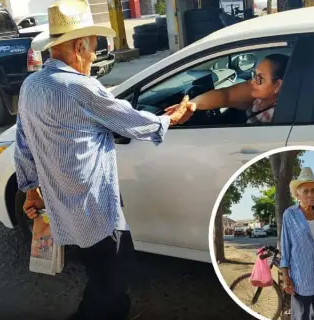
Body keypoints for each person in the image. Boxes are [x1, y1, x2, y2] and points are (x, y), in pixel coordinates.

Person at [13, 1, 194, 319]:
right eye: (94, 47)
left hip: (64, 208)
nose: (95, 55)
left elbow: (22, 144)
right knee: (111, 281)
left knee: (104, 273)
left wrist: (30, 188)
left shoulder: (31, 86)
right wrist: (170, 119)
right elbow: (130, 121)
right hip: (95, 210)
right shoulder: (80, 87)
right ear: (78, 45)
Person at [165, 53, 289, 124]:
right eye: (254, 74)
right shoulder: (261, 94)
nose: (252, 81)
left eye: (259, 78)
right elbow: (227, 95)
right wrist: (192, 104)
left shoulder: (280, 116)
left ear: (277, 86)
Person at [279, 167, 314, 320]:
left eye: (313, 190)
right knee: (300, 317)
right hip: (301, 280)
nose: (310, 194)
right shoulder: (290, 215)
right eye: (305, 191)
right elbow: (285, 248)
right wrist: (285, 276)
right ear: (297, 194)